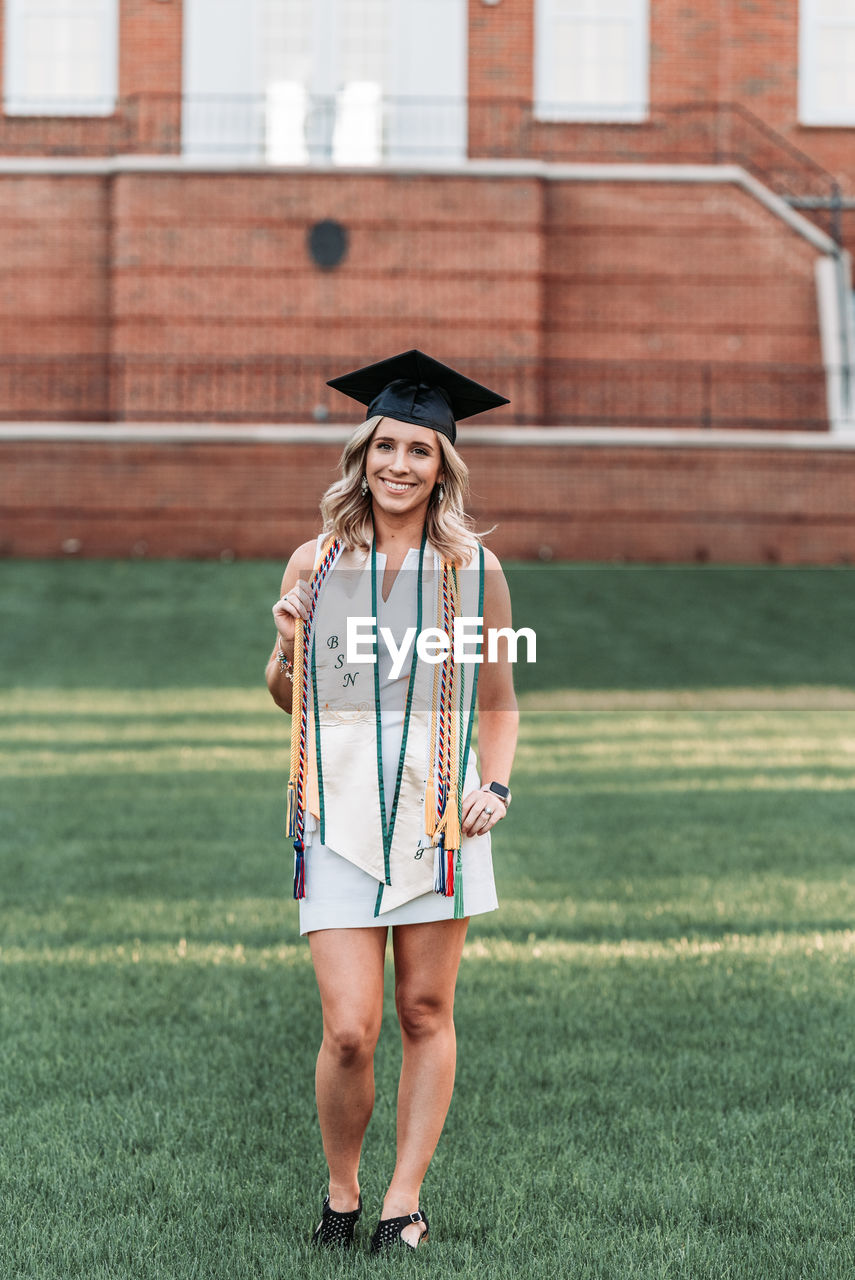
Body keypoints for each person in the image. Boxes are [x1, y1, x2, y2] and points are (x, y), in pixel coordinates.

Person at [265, 350, 519, 1252]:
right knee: (348, 1029)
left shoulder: (470, 569)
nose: (399, 466)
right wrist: (289, 646)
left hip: (434, 814)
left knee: (423, 1011)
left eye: (419, 451)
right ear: (362, 455)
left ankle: (401, 1203)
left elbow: (497, 701)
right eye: (386, 447)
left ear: (443, 465)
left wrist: (492, 786)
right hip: (334, 814)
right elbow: (287, 698)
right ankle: (342, 1192)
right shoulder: (317, 557)